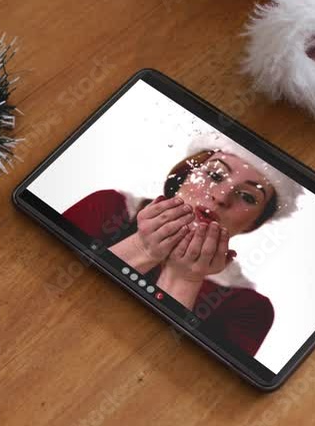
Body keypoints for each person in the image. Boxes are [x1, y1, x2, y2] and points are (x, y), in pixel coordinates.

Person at [62, 134, 302, 355]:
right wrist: (142, 249)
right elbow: (53, 290)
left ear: (253, 223)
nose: (220, 197)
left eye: (248, 197)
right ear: (183, 176)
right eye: (215, 175)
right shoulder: (108, 209)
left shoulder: (248, 309)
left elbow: (156, 369)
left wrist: (184, 279)